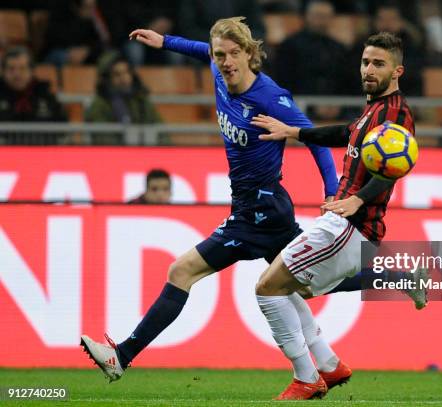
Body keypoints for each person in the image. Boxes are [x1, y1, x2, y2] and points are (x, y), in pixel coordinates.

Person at [80, 17, 339, 386]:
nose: (226, 61)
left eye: (235, 54)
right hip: (257, 206)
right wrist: (165, 41)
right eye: (220, 55)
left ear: (251, 54)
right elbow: (201, 49)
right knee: (312, 283)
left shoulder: (270, 97)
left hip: (259, 211)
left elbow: (314, 138)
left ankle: (121, 356)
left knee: (182, 271)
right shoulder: (220, 73)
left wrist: (331, 191)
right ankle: (399, 280)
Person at [249, 32, 416, 400]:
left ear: (397, 70)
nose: (369, 70)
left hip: (348, 224)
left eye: (379, 64)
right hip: (344, 222)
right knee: (285, 287)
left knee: (267, 290)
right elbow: (345, 133)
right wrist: (293, 132)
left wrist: (358, 201)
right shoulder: (374, 109)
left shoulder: (395, 112)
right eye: (366, 62)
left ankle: (307, 377)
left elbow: (397, 166)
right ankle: (327, 365)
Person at [274, 0, 347, 120]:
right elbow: (283, 81)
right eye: (318, 16)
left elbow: (346, 82)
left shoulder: (339, 49)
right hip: (297, 105)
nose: (321, 21)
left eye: (326, 17)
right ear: (307, 16)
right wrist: (313, 106)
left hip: (336, 108)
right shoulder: (289, 46)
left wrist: (338, 104)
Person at [85, 52, 162, 144]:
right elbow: (103, 139)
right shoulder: (99, 105)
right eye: (117, 74)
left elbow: (161, 132)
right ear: (106, 79)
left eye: (127, 72)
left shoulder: (142, 100)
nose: (124, 78)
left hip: (147, 154)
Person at [0, 46, 67, 144]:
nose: (17, 74)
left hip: (42, 154)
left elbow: (62, 129)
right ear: (3, 72)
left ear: (31, 71)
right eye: (11, 69)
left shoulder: (45, 95)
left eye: (22, 68)